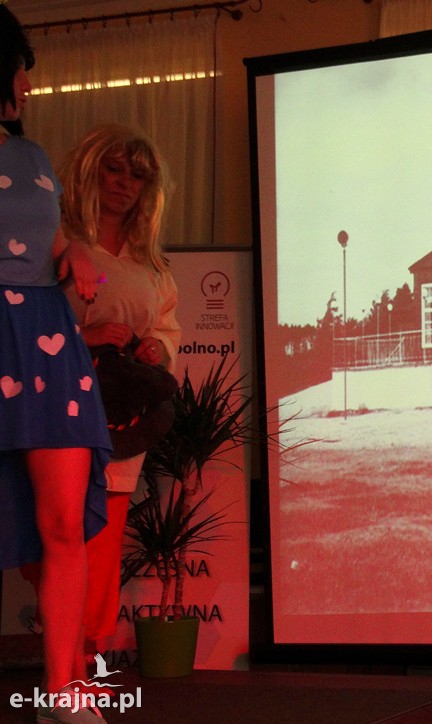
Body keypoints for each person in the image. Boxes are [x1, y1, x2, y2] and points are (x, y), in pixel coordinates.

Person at [0, 6, 110, 722]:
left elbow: (52, 238)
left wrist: (71, 255)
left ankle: (62, 693)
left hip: (45, 331)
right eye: (20, 67)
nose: (28, 85)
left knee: (63, 522)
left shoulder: (34, 157)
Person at [57, 123, 181, 653]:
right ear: (89, 170)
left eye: (137, 174)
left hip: (121, 417)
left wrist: (157, 350)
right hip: (56, 410)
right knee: (56, 539)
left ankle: (89, 657)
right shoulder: (55, 243)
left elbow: (168, 329)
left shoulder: (151, 265)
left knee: (103, 546)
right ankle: (62, 657)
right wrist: (83, 338)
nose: (124, 183)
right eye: (114, 168)